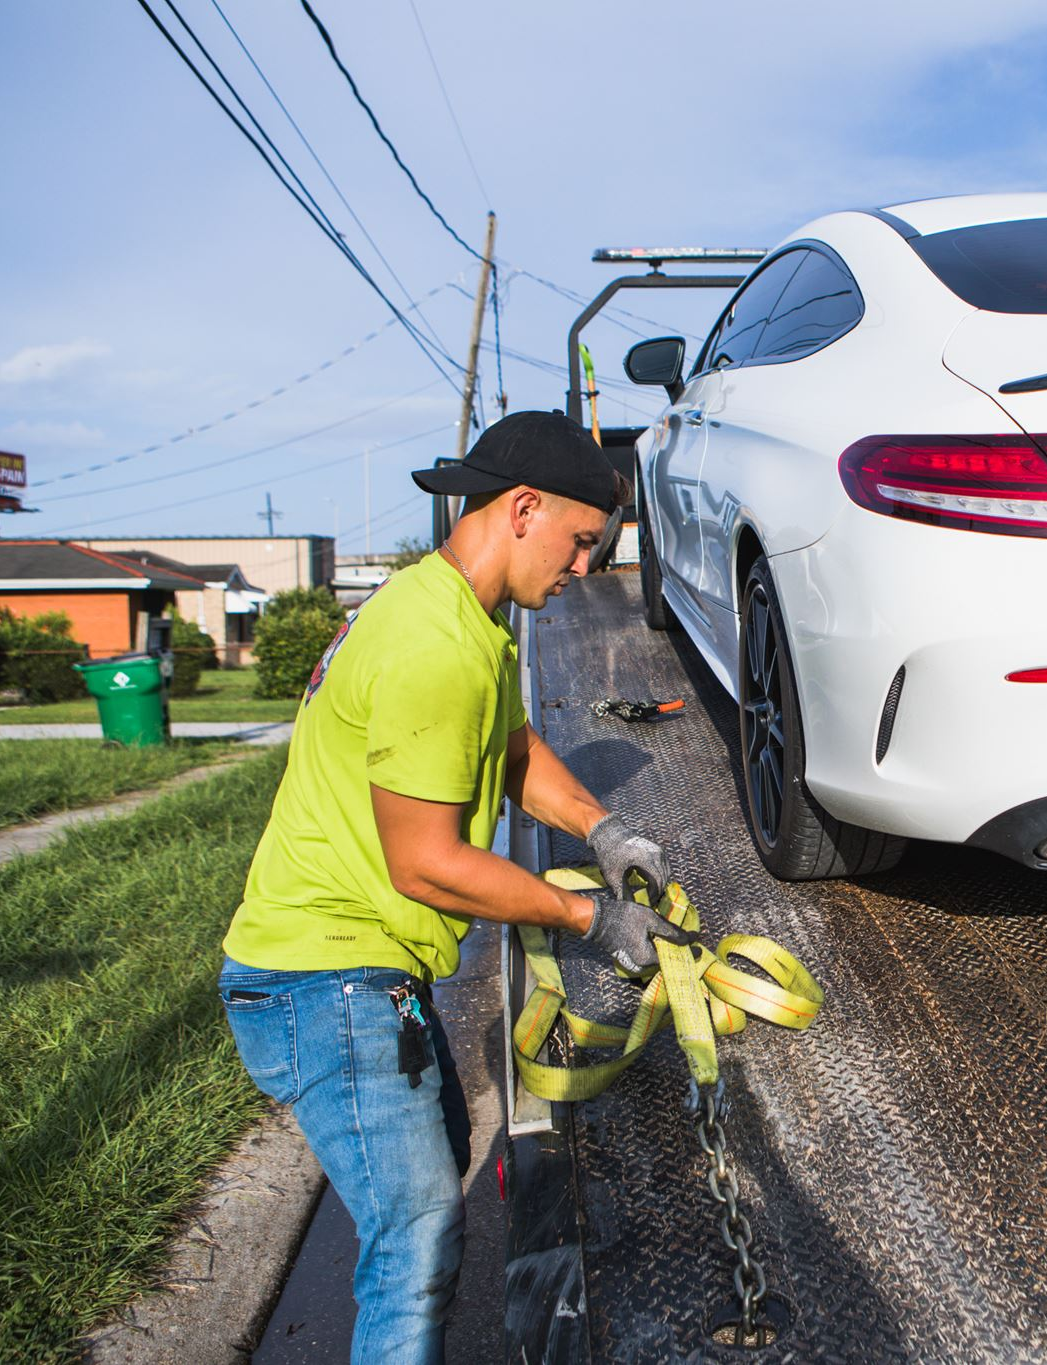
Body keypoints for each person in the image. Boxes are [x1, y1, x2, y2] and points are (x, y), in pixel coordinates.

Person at [216, 410, 692, 1364]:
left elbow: (508, 748)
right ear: (523, 509)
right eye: (582, 540)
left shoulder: (450, 615)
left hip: (356, 974)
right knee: (418, 1238)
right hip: (327, 981)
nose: (586, 569)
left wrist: (603, 830)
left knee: (423, 1220)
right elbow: (426, 861)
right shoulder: (433, 646)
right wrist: (590, 917)